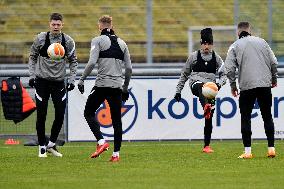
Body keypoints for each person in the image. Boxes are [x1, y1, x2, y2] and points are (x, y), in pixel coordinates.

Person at [77, 15, 132, 162]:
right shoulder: (122, 43)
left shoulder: (97, 40)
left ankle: (101, 142)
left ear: (99, 26)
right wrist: (125, 88)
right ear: (111, 25)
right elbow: (129, 68)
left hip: (102, 85)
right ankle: (116, 155)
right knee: (116, 121)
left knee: (88, 112)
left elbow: (91, 63)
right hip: (116, 87)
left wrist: (81, 80)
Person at [225, 22, 278, 159]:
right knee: (267, 116)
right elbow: (273, 62)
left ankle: (248, 152)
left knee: (246, 117)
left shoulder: (235, 46)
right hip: (264, 84)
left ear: (238, 33)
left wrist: (232, 85)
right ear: (250, 31)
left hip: (247, 85)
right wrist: (274, 79)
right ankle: (271, 148)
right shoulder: (262, 42)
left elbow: (229, 68)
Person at [28, 13, 78, 158]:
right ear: (50, 24)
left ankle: (51, 144)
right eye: (53, 24)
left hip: (58, 83)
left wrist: (72, 80)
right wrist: (32, 76)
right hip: (42, 82)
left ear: (62, 25)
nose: (56, 27)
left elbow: (73, 61)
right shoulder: (41, 39)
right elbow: (32, 57)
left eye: (58, 24)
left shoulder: (67, 41)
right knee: (42, 114)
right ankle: (42, 146)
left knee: (60, 114)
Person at [174, 28, 226, 153]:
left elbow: (224, 74)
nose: (206, 46)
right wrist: (178, 91)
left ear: (212, 44)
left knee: (209, 119)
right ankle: (206, 106)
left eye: (209, 43)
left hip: (211, 88)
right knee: (201, 86)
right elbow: (184, 74)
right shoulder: (194, 56)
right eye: (204, 43)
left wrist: (219, 84)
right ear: (201, 44)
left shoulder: (217, 58)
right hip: (196, 84)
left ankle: (206, 146)